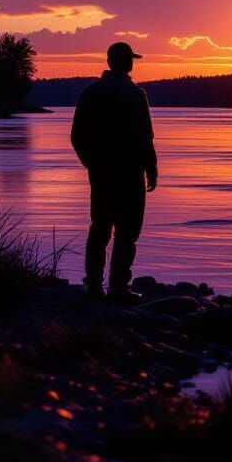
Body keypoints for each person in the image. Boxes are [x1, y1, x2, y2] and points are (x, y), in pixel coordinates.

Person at [71, 41, 158, 303]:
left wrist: (91, 163)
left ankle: (95, 287)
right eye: (129, 59)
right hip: (130, 173)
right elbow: (146, 137)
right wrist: (151, 168)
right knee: (127, 232)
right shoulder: (135, 94)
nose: (131, 63)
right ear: (121, 62)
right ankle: (118, 287)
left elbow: (77, 136)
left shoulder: (91, 93)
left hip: (102, 172)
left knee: (100, 227)